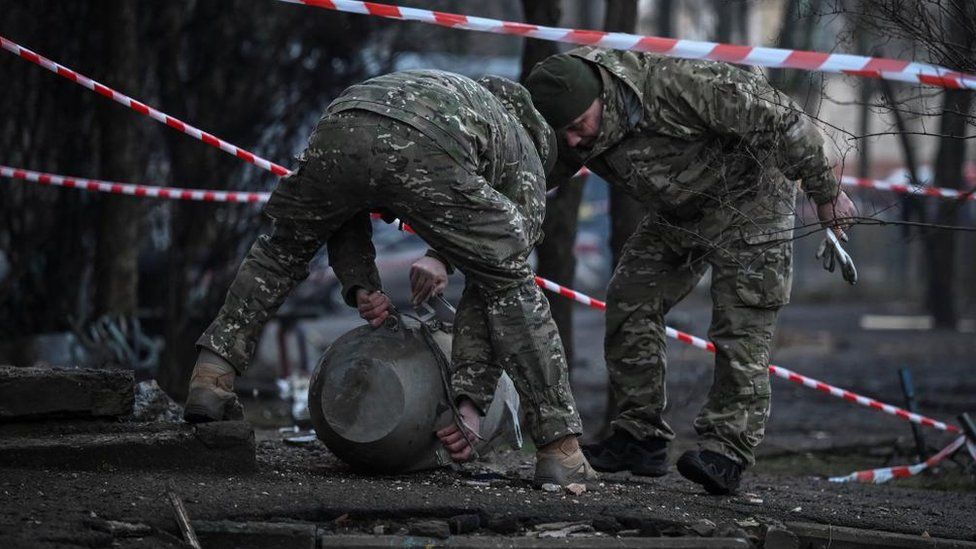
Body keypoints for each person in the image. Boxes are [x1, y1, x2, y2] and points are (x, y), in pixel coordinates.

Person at [183, 70, 595, 489]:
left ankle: (211, 374)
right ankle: (560, 447)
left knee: (282, 250)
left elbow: (347, 201)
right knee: (511, 287)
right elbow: (493, 284)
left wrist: (361, 284)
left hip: (344, 118)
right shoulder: (527, 157)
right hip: (428, 142)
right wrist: (470, 398)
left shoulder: (457, 95)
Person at [524, 47, 856, 495]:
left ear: (601, 96)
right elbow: (522, 181)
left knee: (742, 325)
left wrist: (825, 191)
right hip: (680, 211)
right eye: (564, 135)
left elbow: (783, 118)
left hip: (751, 200)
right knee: (629, 298)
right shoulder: (572, 127)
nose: (575, 143)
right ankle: (639, 438)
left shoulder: (680, 85)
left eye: (579, 127)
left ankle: (727, 452)